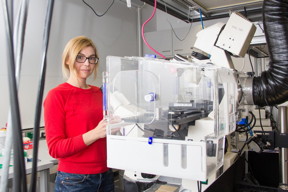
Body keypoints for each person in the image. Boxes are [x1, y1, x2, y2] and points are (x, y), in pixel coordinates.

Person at [44, 36, 114, 192]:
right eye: (80, 58)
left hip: (106, 173)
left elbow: (106, 130)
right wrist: (95, 134)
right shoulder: (56, 96)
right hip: (75, 179)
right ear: (68, 60)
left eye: (91, 58)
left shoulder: (99, 93)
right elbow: (55, 148)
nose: (87, 63)